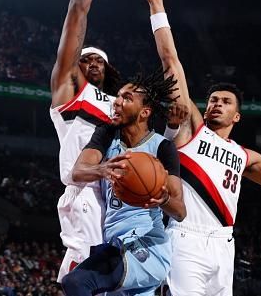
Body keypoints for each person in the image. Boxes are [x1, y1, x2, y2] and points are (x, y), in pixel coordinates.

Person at [145, 0, 261, 295]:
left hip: (224, 243)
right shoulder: (192, 130)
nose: (217, 104)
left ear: (237, 116)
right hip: (185, 239)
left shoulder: (246, 156)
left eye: (226, 101)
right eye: (214, 100)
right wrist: (157, 6)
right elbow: (170, 61)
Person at [62, 70, 186, 295]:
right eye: (118, 96)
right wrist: (102, 169)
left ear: (144, 112)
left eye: (127, 98)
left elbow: (180, 211)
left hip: (147, 245)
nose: (117, 102)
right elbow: (78, 172)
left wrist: (163, 198)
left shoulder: (162, 148)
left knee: (77, 282)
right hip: (116, 244)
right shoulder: (107, 134)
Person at [49, 0, 121, 283]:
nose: (92, 63)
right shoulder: (70, 92)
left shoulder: (118, 103)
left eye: (98, 60)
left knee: (109, 280)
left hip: (118, 198)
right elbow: (76, 15)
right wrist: (80, 6)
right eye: (85, 59)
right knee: (84, 273)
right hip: (85, 189)